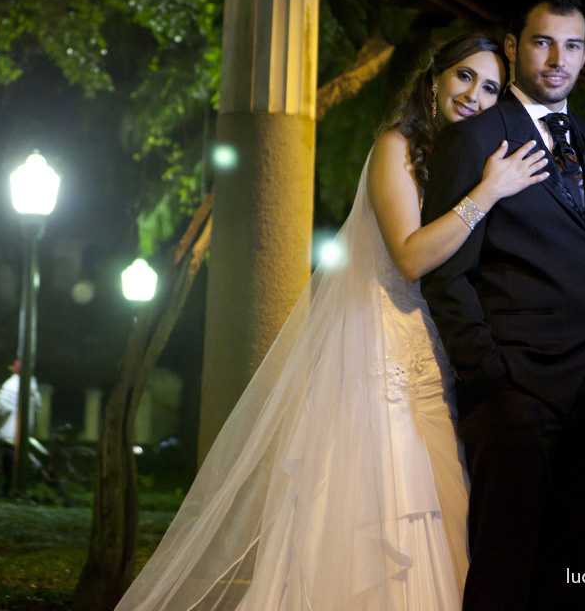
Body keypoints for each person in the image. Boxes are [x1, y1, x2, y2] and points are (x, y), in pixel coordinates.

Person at [116, 34, 548, 611]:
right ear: (435, 79)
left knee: (447, 521)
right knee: (384, 516)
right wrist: (491, 191)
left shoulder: (461, 159)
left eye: (491, 87)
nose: (474, 94)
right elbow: (412, 256)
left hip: (436, 356)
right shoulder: (397, 147)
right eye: (464, 76)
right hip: (380, 356)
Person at [421, 0, 585, 610]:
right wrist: (489, 373)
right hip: (515, 390)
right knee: (503, 571)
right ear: (515, 46)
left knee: (573, 577)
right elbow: (446, 274)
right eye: (542, 42)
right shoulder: (476, 135)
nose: (556, 59)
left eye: (571, 45)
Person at [0, 360, 42, 496]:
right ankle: (15, 487)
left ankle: (7, 487)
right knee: (20, 458)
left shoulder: (11, 383)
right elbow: (38, 405)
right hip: (26, 428)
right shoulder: (32, 382)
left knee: (9, 459)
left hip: (11, 429)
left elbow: (2, 406)